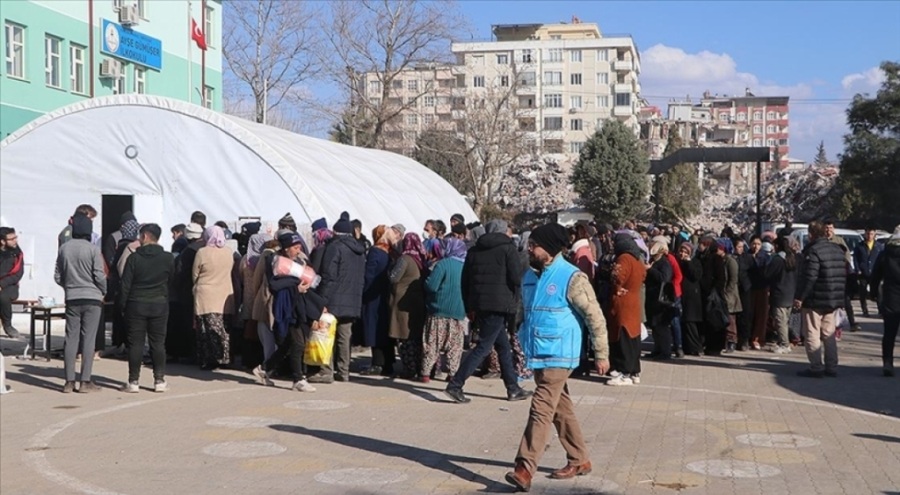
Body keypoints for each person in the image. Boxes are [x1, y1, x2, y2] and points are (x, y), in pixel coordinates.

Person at [504, 223, 610, 492]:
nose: (529, 248)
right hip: (537, 351)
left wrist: (601, 353)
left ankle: (524, 467)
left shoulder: (571, 277)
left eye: (534, 245)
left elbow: (594, 316)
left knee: (541, 407)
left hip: (560, 353)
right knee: (561, 408)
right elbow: (524, 310)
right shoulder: (530, 275)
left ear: (549, 249)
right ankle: (579, 458)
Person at [445, 220, 531, 403]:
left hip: (479, 303)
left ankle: (512, 387)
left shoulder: (474, 250)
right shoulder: (508, 249)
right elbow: (516, 278)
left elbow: (465, 280)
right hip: (500, 304)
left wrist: (469, 306)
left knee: (503, 347)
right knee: (484, 346)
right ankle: (456, 384)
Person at [252, 232, 323, 392]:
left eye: (299, 247)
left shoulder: (298, 262)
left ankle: (264, 369)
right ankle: (298, 379)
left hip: (298, 306)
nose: (298, 251)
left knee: (287, 345)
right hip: (285, 307)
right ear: (285, 248)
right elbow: (274, 285)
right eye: (295, 248)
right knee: (298, 342)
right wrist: (295, 287)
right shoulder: (274, 261)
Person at [309, 213, 365, 383]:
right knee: (344, 336)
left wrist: (322, 300)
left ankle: (326, 371)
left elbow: (329, 276)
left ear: (336, 232)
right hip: (352, 300)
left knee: (326, 334)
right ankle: (344, 371)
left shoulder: (334, 247)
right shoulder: (359, 250)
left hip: (334, 299)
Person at [118, 224, 175, 393]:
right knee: (158, 343)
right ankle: (159, 380)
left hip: (136, 304)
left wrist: (122, 305)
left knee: (135, 343)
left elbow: (125, 285)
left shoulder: (134, 258)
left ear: (144, 237)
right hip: (159, 303)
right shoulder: (168, 258)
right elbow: (171, 279)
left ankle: (133, 381)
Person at [55, 214, 107, 393]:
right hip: (92, 298)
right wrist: (103, 290)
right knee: (88, 339)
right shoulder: (93, 249)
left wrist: (69, 286)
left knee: (71, 338)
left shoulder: (64, 249)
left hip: (72, 297)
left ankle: (69, 381)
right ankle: (85, 381)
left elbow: (57, 275)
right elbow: (99, 275)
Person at [794, 221, 847, 378]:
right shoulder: (837, 249)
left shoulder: (814, 251)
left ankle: (816, 367)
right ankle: (831, 366)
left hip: (814, 299)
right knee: (829, 334)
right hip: (832, 299)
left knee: (812, 332)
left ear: (811, 234)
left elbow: (810, 276)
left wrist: (800, 297)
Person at [421, 237, 467, 382]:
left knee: (432, 344)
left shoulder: (442, 264)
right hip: (458, 312)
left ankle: (426, 374)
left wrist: (425, 281)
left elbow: (431, 286)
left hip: (438, 311)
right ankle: (452, 374)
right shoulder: (466, 267)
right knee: (455, 346)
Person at [192, 226, 236, 370]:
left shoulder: (202, 252)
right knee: (224, 327)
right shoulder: (228, 252)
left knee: (206, 327)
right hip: (225, 294)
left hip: (206, 295)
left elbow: (195, 275)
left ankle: (208, 359)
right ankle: (225, 358)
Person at [607, 233, 647, 385]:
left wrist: (616, 286)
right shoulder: (638, 259)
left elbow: (617, 276)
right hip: (634, 301)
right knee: (633, 339)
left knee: (622, 337)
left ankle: (624, 373)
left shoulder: (623, 258)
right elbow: (643, 275)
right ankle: (635, 372)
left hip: (623, 303)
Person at [388, 232, 428, 380]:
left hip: (403, 302)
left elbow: (394, 278)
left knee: (404, 337)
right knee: (415, 337)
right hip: (417, 302)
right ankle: (417, 366)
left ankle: (409, 369)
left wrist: (389, 268)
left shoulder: (404, 259)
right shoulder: (420, 259)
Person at [360, 226, 395, 376]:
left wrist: (364, 291)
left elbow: (369, 274)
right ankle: (388, 363)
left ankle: (377, 363)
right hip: (384, 295)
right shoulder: (389, 253)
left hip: (373, 295)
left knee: (373, 329)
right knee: (383, 328)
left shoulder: (375, 251)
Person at [169, 222, 204, 362]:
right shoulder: (206, 248)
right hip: (203, 292)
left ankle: (189, 352)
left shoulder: (188, 252)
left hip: (187, 292)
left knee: (188, 323)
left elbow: (180, 273)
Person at [870, 226, 900, 377]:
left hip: (890, 297)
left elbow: (875, 276)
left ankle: (888, 362)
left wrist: (874, 294)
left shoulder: (885, 254)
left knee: (889, 333)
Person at [765, 236, 799, 354]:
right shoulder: (792, 258)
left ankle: (784, 344)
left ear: (777, 246)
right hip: (790, 293)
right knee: (785, 320)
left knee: (780, 321)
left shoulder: (777, 260)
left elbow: (768, 275)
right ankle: (784, 342)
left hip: (779, 293)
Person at [645, 239, 674, 360]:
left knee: (662, 326)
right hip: (652, 298)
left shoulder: (664, 263)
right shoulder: (654, 262)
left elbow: (664, 278)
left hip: (660, 300)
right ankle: (658, 349)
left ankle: (665, 351)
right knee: (655, 326)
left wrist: (650, 270)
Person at [677, 242, 704, 356]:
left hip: (692, 296)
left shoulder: (695, 262)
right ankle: (686, 347)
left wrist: (688, 263)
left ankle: (696, 347)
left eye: (685, 252)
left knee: (690, 322)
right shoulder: (677, 262)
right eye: (681, 251)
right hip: (680, 294)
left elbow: (696, 276)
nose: (683, 254)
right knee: (683, 322)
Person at [853, 227, 884, 317]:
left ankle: (880, 310)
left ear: (874, 234)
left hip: (875, 273)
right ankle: (865, 310)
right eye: (868, 234)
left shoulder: (879, 246)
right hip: (863, 273)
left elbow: (882, 260)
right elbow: (855, 259)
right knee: (863, 293)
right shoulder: (860, 246)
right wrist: (857, 269)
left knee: (878, 292)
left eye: (871, 234)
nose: (869, 236)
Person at [0, 227, 25, 338]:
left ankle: (8, 325)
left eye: (15, 237)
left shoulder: (17, 254)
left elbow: (17, 274)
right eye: (12, 239)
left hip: (10, 286)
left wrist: (1, 284)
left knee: (3, 297)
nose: (15, 240)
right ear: (2, 241)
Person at [721, 241, 743, 353]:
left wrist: (726, 292)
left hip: (730, 295)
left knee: (730, 319)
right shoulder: (722, 260)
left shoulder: (731, 261)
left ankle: (732, 341)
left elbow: (733, 279)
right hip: (723, 294)